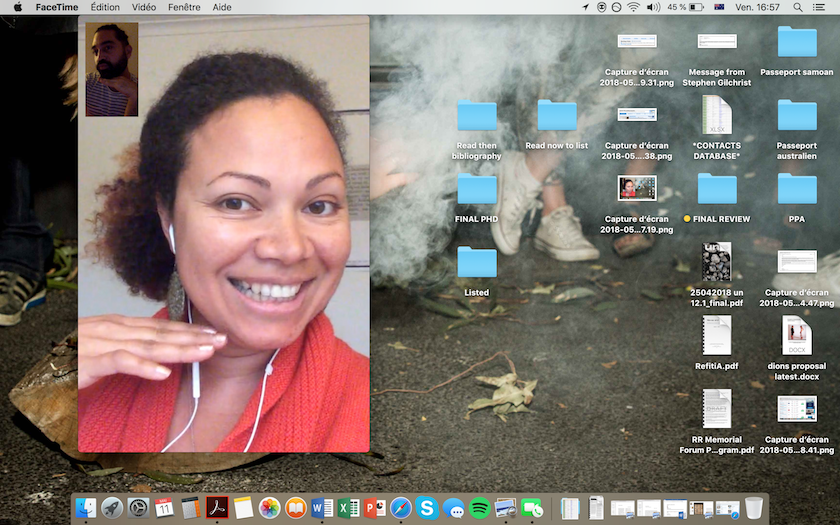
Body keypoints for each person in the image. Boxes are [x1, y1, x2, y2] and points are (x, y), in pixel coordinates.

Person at [78, 53, 369, 453]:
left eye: (318, 205)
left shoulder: (372, 405)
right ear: (168, 218)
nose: (289, 248)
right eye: (236, 202)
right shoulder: (83, 383)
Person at [85, 24, 138, 117]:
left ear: (127, 51)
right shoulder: (87, 82)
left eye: (108, 48)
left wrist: (134, 98)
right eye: (96, 51)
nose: (99, 57)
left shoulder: (143, 89)